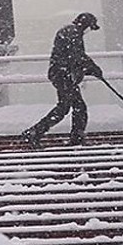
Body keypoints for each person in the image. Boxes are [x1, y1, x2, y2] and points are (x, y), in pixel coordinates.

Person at [23, 12, 104, 148]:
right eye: (89, 27)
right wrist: (93, 68)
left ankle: (35, 132)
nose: (88, 31)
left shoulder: (69, 31)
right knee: (77, 107)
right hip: (63, 75)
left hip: (61, 74)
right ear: (84, 24)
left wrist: (86, 68)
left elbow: (74, 57)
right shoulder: (73, 33)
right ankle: (73, 138)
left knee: (65, 107)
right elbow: (77, 56)